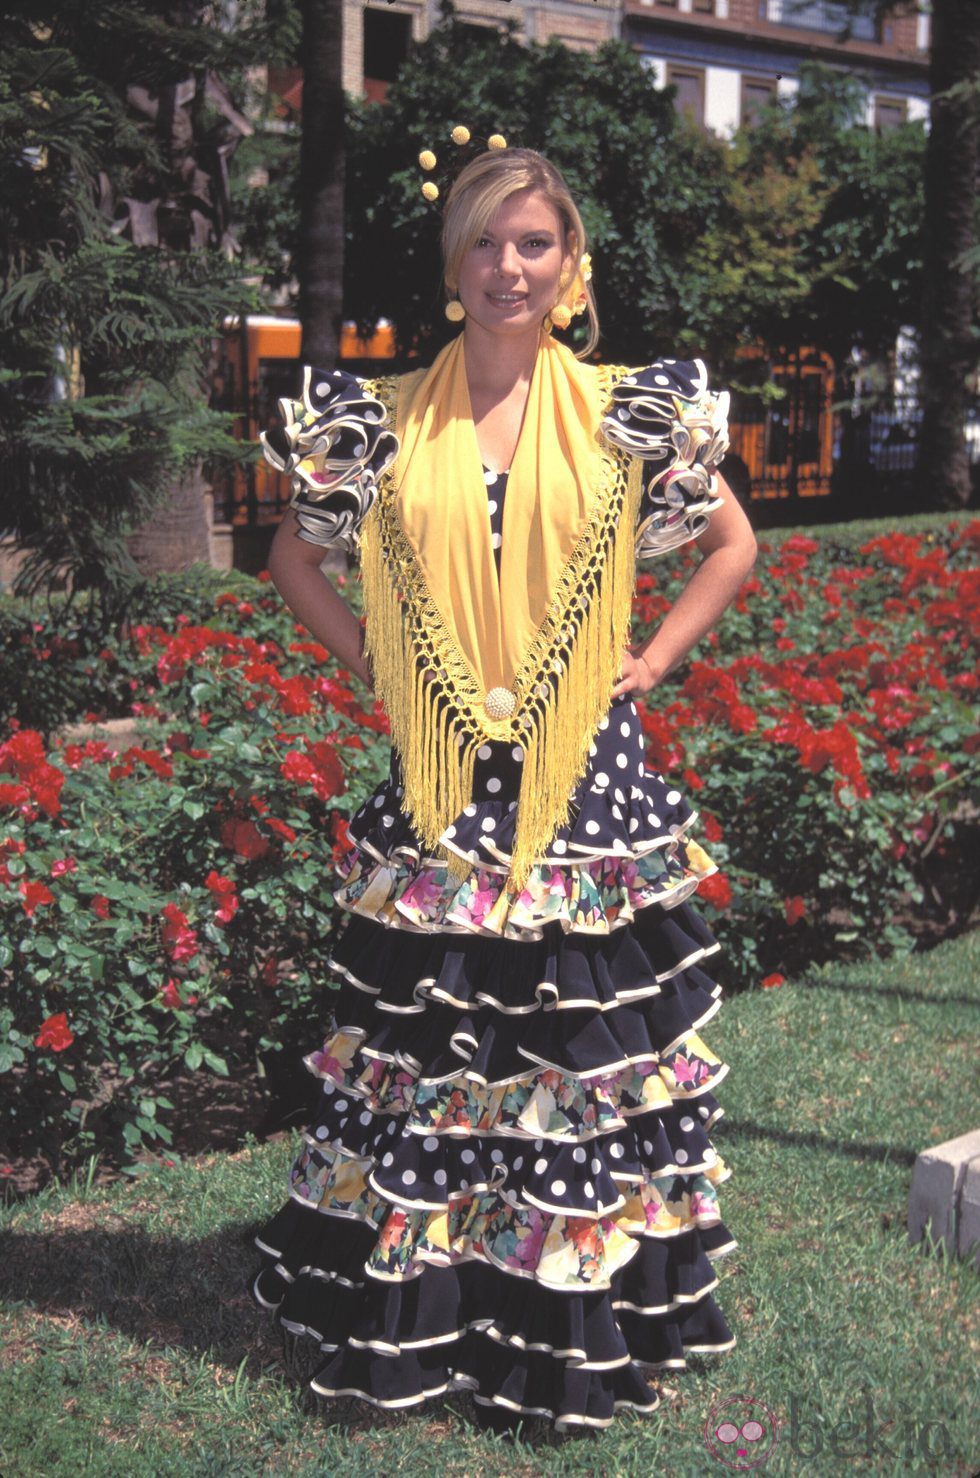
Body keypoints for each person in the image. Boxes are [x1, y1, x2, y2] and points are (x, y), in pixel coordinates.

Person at [250, 141, 758, 1435]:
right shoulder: (381, 420)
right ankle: (439, 1311)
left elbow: (732, 543)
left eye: (532, 243)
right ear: (453, 263)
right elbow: (291, 564)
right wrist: (382, 664)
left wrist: (648, 657)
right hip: (441, 780)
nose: (508, 267)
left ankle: (576, 1318)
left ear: (567, 261)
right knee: (441, 1065)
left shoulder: (623, 412)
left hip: (584, 777)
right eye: (484, 241)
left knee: (573, 1065)